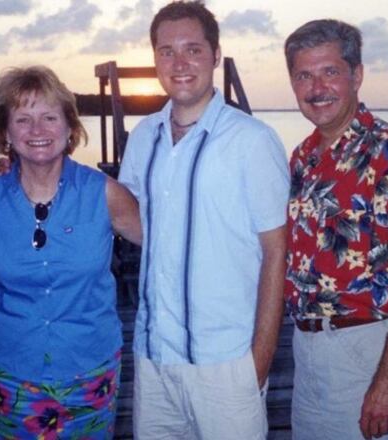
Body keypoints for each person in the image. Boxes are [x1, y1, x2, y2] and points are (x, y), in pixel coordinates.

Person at [117, 1, 290, 438]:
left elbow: (277, 252)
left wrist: (259, 361)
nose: (179, 63)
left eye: (193, 50)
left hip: (226, 363)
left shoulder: (252, 141)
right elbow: (139, 223)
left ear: (215, 55)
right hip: (154, 358)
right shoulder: (143, 137)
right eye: (167, 51)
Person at [283, 19, 388, 439]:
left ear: (356, 75)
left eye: (330, 72)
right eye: (304, 75)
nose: (316, 88)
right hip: (307, 355)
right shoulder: (302, 158)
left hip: (369, 351)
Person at [0, 65, 141, 440]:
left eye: (50, 117)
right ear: (6, 132)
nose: (37, 130)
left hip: (90, 370)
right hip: (12, 373)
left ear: (70, 128)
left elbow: (167, 247)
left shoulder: (105, 193)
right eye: (23, 119)